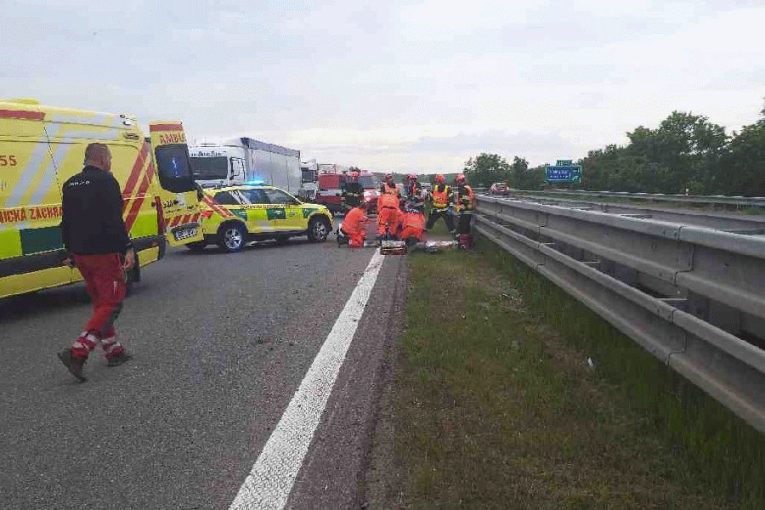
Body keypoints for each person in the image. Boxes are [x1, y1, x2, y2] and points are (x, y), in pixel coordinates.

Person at [58, 143, 133, 381]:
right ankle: (78, 351)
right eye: (109, 158)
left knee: (101, 303)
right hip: (104, 253)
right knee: (112, 303)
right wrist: (127, 247)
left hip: (81, 255)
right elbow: (114, 219)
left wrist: (69, 251)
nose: (110, 163)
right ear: (101, 158)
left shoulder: (70, 184)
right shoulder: (107, 182)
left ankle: (113, 351)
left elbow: (66, 222)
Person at [454, 173, 476, 249]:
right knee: (466, 228)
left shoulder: (463, 188)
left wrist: (457, 206)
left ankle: (463, 245)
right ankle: (469, 244)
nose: (457, 183)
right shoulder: (467, 187)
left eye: (457, 181)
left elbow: (464, 201)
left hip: (466, 211)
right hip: (468, 210)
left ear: (460, 181)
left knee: (462, 229)